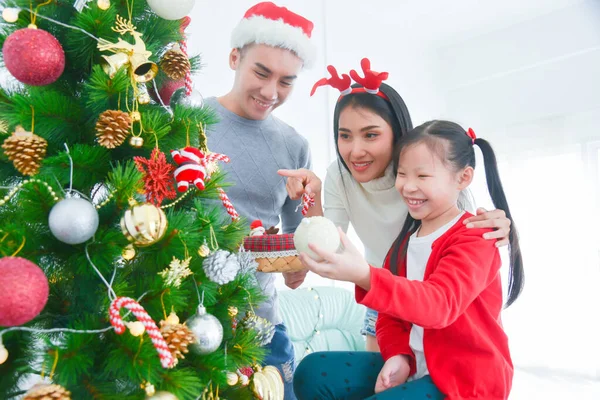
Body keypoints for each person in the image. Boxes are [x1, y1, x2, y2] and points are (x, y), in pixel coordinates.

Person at [278, 59, 511, 352]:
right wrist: (314, 197)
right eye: (344, 135)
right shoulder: (339, 175)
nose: (355, 150)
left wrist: (498, 227)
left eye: (371, 134)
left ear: (398, 133)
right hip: (382, 297)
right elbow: (331, 250)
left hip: (435, 299)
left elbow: (460, 238)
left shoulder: (422, 178)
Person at [293, 120, 524, 400]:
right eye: (402, 174)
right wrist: (398, 355)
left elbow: (439, 305)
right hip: (418, 365)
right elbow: (389, 315)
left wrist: (366, 275)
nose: (408, 186)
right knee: (311, 371)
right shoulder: (405, 242)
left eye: (422, 176)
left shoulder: (475, 237)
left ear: (463, 178)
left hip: (465, 382)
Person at [203, 2, 316, 398]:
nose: (271, 92)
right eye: (261, 72)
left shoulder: (294, 145)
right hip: (186, 312)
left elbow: (298, 236)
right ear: (235, 58)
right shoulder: (187, 120)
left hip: (260, 321)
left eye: (286, 81)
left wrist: (298, 265)